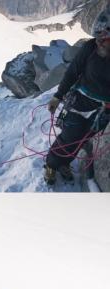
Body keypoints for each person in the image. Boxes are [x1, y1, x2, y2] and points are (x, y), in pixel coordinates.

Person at [44, 8, 110, 185]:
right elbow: (73, 72)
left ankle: (63, 162)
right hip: (79, 102)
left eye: (105, 38)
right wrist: (58, 96)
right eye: (99, 37)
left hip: (103, 111)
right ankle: (51, 164)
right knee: (69, 137)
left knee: (83, 138)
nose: (100, 42)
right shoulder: (91, 47)